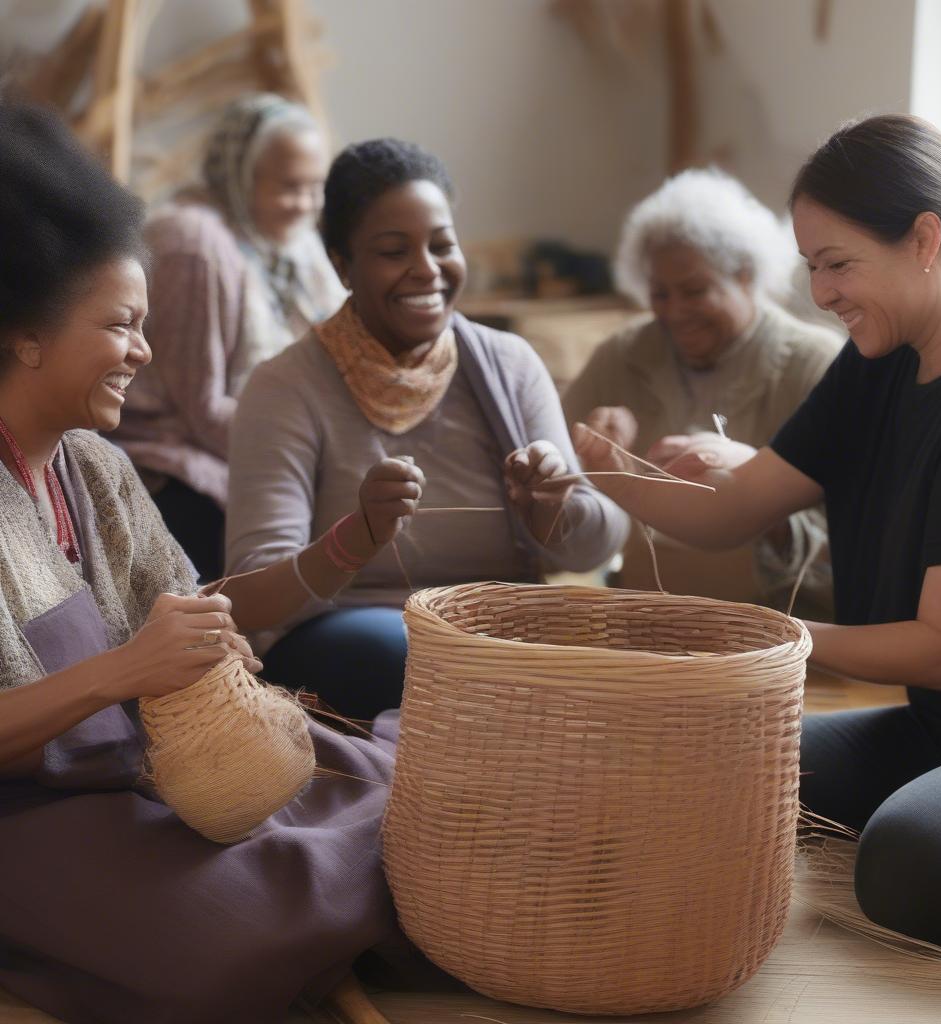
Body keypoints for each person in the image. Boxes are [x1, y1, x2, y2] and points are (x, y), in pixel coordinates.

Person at [0, 102, 423, 1024]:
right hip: (24, 821)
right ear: (24, 333)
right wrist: (128, 670)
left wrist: (344, 545)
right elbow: (130, 665)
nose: (145, 352)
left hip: (135, 777)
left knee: (403, 793)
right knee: (230, 943)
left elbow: (190, 608)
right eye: (121, 325)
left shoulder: (96, 467)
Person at [573, 114, 941, 957]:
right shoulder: (879, 358)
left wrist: (761, 639)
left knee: (905, 865)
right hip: (934, 732)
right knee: (690, 763)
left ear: (925, 239)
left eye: (838, 264)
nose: (821, 293)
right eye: (814, 267)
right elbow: (731, 507)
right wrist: (596, 462)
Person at [226, 138, 630, 720]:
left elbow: (603, 542)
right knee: (421, 653)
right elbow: (250, 595)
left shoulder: (508, 365)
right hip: (352, 641)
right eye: (394, 251)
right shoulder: (285, 387)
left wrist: (553, 509)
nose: (427, 269)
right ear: (342, 265)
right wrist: (354, 537)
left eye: (442, 245)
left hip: (501, 635)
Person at [562, 169, 840, 612]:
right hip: (640, 623)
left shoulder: (818, 366)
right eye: (660, 294)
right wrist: (589, 454)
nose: (675, 312)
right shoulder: (622, 355)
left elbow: (857, 539)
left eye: (695, 291)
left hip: (776, 639)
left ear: (746, 275)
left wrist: (758, 503)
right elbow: (558, 479)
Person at [112, 93, 344, 581]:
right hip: (172, 457)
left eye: (315, 186)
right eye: (289, 186)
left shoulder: (292, 243)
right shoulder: (194, 244)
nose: (306, 203)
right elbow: (202, 408)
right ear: (239, 175)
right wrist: (312, 456)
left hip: (261, 436)